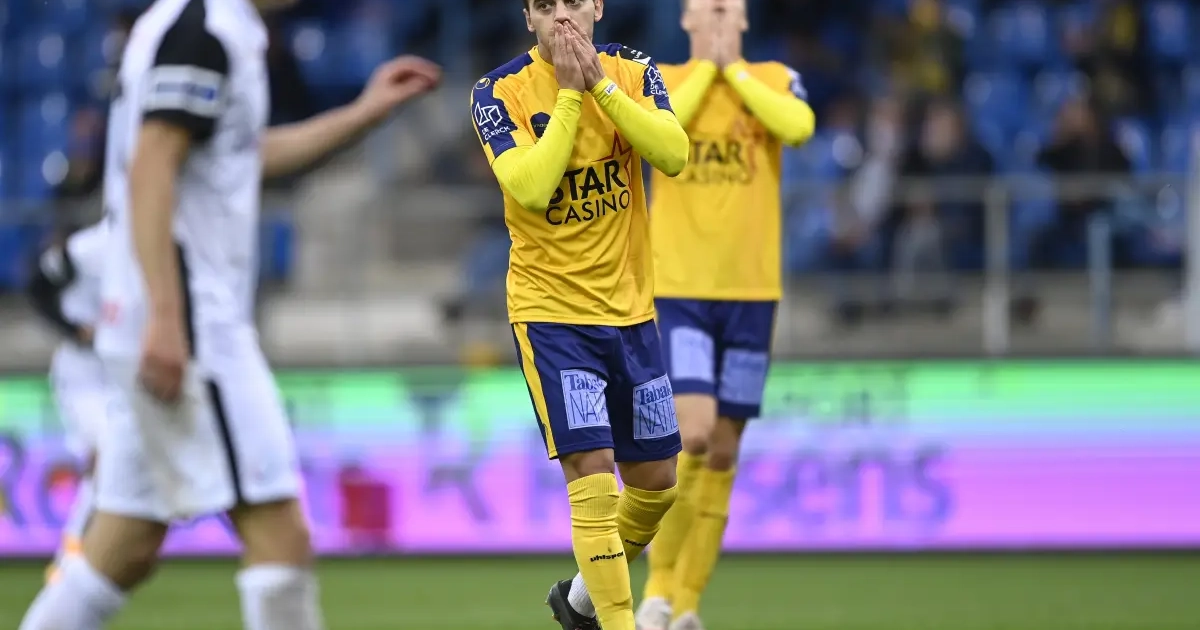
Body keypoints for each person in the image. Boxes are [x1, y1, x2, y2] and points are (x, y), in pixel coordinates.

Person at [17, 0, 440, 627]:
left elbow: (239, 156)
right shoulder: (204, 30)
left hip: (160, 315)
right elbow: (151, 166)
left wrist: (363, 113)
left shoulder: (196, 25)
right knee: (280, 536)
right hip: (192, 324)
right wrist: (167, 318)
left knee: (120, 550)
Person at [468, 2, 690, 630]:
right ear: (527, 17)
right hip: (553, 316)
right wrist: (570, 95)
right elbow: (532, 188)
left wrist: (599, 87)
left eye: (573, 2)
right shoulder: (497, 92)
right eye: (545, 6)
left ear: (597, 7)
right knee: (593, 480)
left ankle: (581, 603)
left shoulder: (634, 71)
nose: (561, 17)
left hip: (630, 313)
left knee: (657, 484)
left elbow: (674, 154)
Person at [639, 1, 816, 629]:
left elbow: (798, 127)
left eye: (727, 5)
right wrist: (709, 72)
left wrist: (733, 71)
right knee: (692, 435)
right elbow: (660, 132)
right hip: (680, 290)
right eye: (705, 6)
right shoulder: (659, 80)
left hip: (752, 293)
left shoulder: (773, 78)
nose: (716, 13)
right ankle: (658, 590)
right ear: (685, 19)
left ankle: (688, 605)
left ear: (743, 18)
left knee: (723, 452)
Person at [25, 221, 111, 585]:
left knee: (105, 463)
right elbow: (37, 286)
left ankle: (76, 555)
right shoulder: (88, 248)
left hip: (117, 374)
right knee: (109, 451)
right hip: (81, 378)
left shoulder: (142, 246)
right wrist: (72, 329)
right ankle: (74, 549)